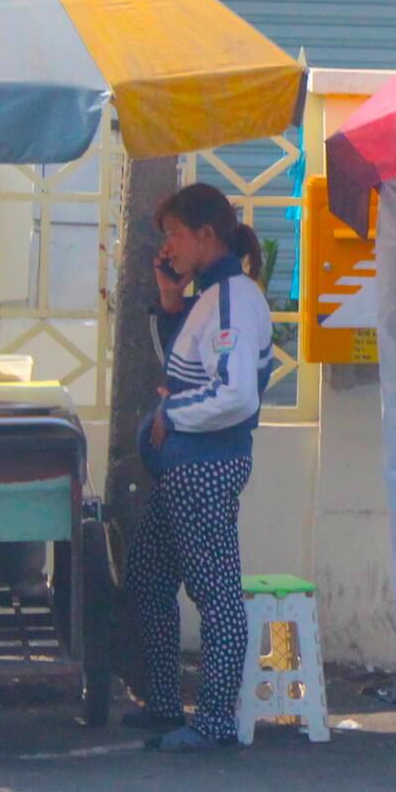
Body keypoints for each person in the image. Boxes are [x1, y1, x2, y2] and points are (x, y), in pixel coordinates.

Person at [123, 183, 274, 753]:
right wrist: (169, 300)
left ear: (206, 235)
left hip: (207, 466)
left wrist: (171, 415)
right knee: (149, 578)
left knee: (216, 593)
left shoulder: (237, 297)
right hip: (182, 469)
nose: (169, 245)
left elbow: (236, 396)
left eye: (174, 234)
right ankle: (164, 704)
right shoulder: (212, 298)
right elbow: (187, 361)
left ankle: (214, 722)